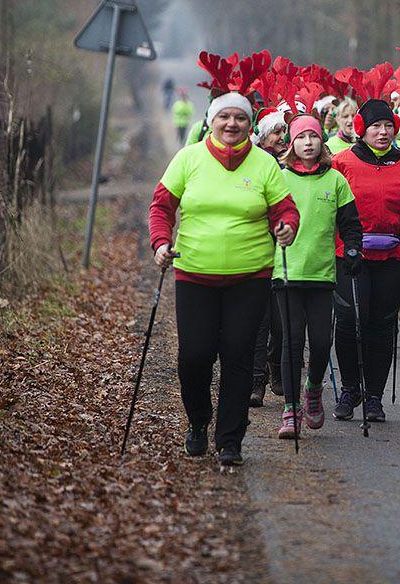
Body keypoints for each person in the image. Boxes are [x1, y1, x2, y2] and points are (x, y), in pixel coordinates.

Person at [149, 52, 299, 466]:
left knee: (236, 356)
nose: (231, 124)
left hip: (249, 277)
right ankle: (198, 421)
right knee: (194, 357)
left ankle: (230, 439)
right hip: (194, 273)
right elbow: (161, 207)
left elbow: (285, 209)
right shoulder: (189, 159)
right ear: (211, 121)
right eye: (224, 118)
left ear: (250, 125)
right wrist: (161, 242)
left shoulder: (265, 164)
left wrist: (287, 226)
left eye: (240, 119)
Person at [331, 99, 400, 421]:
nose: (383, 132)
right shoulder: (341, 163)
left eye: (388, 127)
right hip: (351, 254)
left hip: (397, 255)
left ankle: (374, 397)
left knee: (382, 324)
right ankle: (351, 389)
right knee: (352, 320)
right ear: (362, 129)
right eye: (376, 127)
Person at [272, 104, 362, 439]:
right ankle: (290, 411)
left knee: (322, 343)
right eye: (301, 137)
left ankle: (313, 388)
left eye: (313, 136)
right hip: (286, 272)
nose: (308, 142)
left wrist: (353, 248)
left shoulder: (335, 180)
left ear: (322, 142)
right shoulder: (279, 178)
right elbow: (264, 220)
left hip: (323, 274)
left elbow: (351, 225)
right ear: (291, 143)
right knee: (292, 343)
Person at [249, 105, 290, 406]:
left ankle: (276, 369)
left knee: (280, 322)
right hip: (258, 250)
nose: (281, 137)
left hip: (286, 251)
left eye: (284, 132)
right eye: (276, 132)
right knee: (259, 320)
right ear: (262, 136)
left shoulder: (291, 165)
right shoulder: (252, 164)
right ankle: (255, 382)